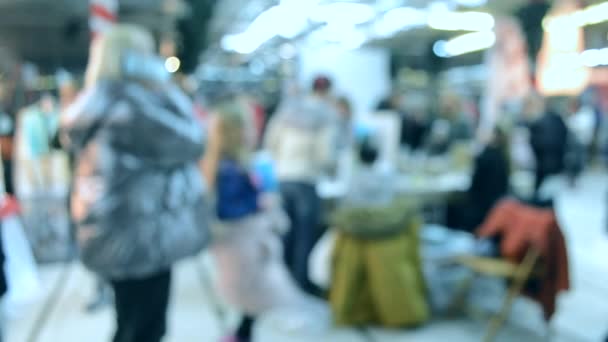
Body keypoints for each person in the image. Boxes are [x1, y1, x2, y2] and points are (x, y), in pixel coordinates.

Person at [61, 25, 208, 342]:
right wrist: (167, 86)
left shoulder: (94, 102)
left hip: (111, 234)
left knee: (128, 320)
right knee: (147, 328)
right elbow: (193, 140)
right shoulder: (133, 107)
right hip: (142, 239)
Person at [203, 102, 305, 342]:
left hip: (246, 240)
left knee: (254, 297)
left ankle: (242, 332)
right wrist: (259, 203)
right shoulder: (229, 169)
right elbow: (228, 209)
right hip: (242, 241)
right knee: (256, 293)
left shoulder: (234, 164)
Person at [265, 76, 336, 294]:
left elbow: (270, 141)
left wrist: (281, 164)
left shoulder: (290, 109)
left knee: (286, 233)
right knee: (305, 235)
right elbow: (326, 155)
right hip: (306, 179)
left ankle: (282, 281)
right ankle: (300, 283)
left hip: (284, 177)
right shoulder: (325, 115)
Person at [447, 127, 510, 232]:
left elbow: (475, 185)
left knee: (451, 206)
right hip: (496, 206)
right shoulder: (503, 156)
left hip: (480, 207)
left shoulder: (485, 157)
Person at [529, 97, 568, 194]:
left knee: (541, 191)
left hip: (543, 163)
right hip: (556, 162)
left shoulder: (538, 122)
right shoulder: (559, 121)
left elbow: (534, 142)